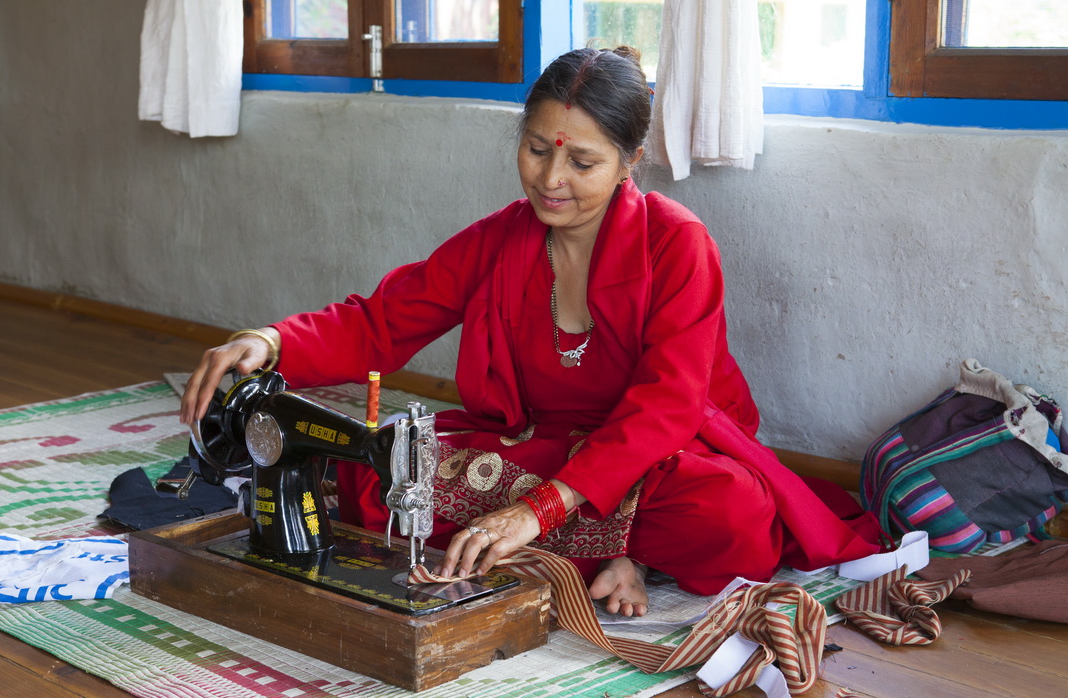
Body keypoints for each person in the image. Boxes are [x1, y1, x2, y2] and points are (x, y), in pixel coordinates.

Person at [181, 47, 878, 618]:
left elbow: (668, 406)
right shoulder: (497, 242)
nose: (550, 180)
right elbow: (385, 320)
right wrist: (273, 341)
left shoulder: (676, 243)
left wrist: (535, 512)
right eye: (537, 150)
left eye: (581, 163)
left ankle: (611, 549)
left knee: (732, 519)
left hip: (656, 454)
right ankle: (612, 552)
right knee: (379, 481)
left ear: (631, 160)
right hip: (533, 446)